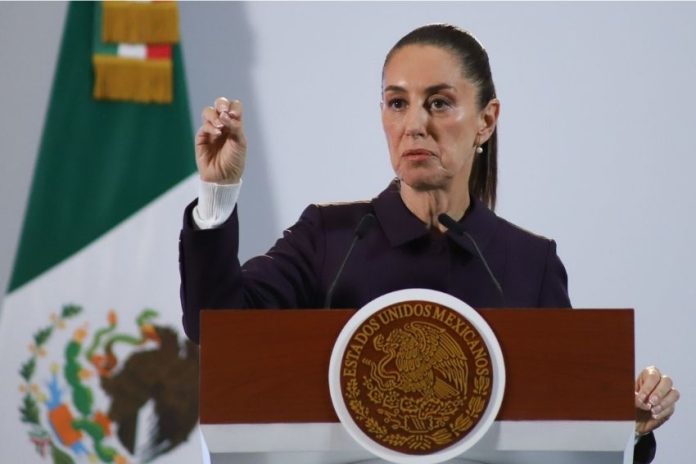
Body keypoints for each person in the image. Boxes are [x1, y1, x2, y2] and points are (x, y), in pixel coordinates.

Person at [179, 24, 678, 463]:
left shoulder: (529, 263)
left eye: (438, 103)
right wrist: (217, 193)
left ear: (486, 119)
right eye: (398, 103)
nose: (414, 124)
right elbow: (216, 325)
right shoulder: (329, 239)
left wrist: (627, 424)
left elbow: (568, 428)